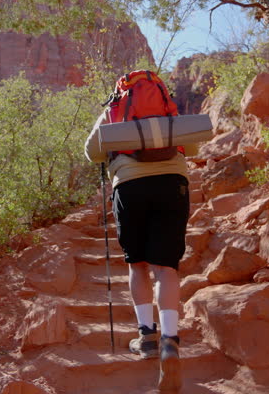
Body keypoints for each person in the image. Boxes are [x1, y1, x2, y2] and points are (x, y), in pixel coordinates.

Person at [84, 111, 198, 391]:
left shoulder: (114, 108)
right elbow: (192, 145)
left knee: (137, 264)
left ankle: (147, 336)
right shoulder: (166, 107)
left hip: (130, 185)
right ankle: (169, 341)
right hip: (172, 183)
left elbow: (92, 152)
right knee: (166, 267)